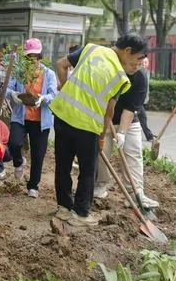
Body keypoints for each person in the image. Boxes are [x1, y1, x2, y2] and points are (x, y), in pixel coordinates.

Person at [50, 33, 148, 227]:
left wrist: (66, 88)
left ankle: (63, 208)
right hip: (86, 126)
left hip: (61, 114)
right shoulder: (121, 77)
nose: (138, 65)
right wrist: (102, 137)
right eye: (138, 59)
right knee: (88, 171)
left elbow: (61, 64)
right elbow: (108, 113)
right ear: (127, 51)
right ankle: (81, 214)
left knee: (63, 165)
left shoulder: (91, 49)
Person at [94, 67, 159, 208]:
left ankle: (136, 193)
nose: (138, 65)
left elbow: (131, 108)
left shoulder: (140, 76)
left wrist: (122, 132)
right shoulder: (110, 68)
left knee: (134, 155)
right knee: (101, 154)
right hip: (104, 118)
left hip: (130, 120)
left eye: (141, 62)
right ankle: (101, 184)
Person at [6, 38, 57, 198]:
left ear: (40, 56)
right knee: (14, 144)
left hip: (41, 121)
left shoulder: (49, 74)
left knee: (38, 154)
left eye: (34, 56)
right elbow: (7, 88)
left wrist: (44, 98)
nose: (32, 59)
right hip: (21, 117)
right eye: (29, 57)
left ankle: (33, 186)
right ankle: (19, 162)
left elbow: (54, 94)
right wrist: (13, 94)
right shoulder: (19, 72)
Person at [138, 57, 155, 141]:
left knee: (140, 118)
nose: (144, 64)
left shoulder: (147, 72)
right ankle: (149, 136)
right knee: (143, 117)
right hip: (138, 100)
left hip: (142, 100)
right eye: (143, 62)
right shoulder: (138, 73)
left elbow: (147, 88)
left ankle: (149, 135)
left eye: (146, 63)